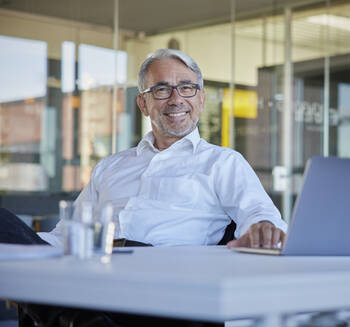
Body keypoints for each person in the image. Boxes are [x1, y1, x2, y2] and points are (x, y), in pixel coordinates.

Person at [6, 48, 287, 250]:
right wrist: (26, 246)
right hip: (97, 270)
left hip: (166, 282)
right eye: (162, 90)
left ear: (200, 100)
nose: (176, 99)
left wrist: (263, 228)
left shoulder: (222, 162)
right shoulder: (110, 166)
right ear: (143, 104)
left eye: (187, 88)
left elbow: (261, 215)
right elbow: (69, 233)